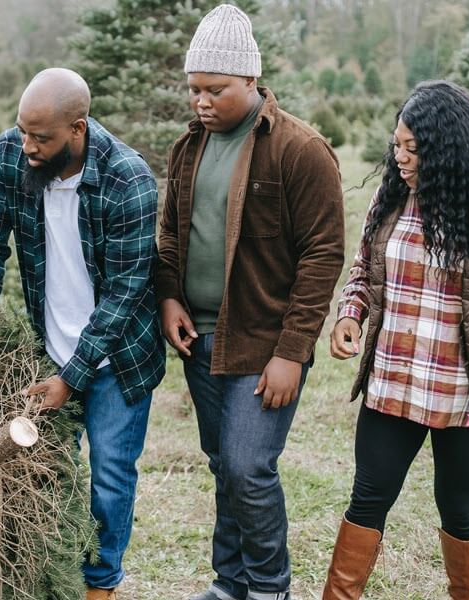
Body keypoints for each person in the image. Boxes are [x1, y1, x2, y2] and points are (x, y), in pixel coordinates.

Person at [323, 80, 469, 600]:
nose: (398, 157)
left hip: (462, 395)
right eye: (396, 144)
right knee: (367, 499)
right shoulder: (393, 197)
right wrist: (350, 314)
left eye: (412, 149)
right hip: (393, 383)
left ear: (448, 149)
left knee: (460, 509)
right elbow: (363, 272)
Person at [156, 5, 345, 600]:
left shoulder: (298, 149)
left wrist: (293, 352)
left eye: (216, 89)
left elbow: (323, 256)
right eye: (194, 90)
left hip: (264, 346)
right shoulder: (187, 149)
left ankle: (269, 588)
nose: (202, 102)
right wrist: (168, 297)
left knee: (247, 468)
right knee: (223, 467)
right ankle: (229, 582)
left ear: (251, 82)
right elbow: (168, 236)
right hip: (201, 338)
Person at [0, 68, 165, 600]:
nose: (26, 145)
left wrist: (74, 375)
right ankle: (51, 580)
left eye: (40, 137)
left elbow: (125, 293)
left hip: (119, 355)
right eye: (23, 131)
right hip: (47, 348)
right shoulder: (9, 156)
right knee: (50, 470)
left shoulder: (127, 178)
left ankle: (100, 587)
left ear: (77, 128)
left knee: (110, 476)